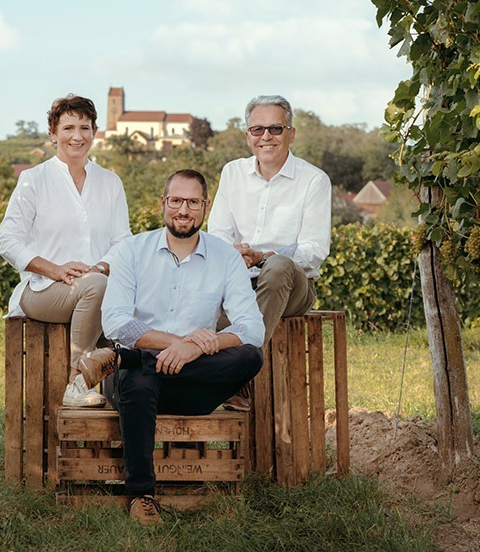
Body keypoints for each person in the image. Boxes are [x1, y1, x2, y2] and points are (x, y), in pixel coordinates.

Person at [79, 169, 264, 525]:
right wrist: (182, 343)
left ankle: (125, 358)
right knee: (136, 379)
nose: (184, 209)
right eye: (176, 200)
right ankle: (141, 496)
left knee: (249, 355)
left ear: (205, 207)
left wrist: (193, 351)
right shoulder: (132, 250)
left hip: (194, 387)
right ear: (163, 203)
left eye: (193, 202)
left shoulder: (225, 257)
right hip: (142, 387)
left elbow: (251, 327)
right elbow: (116, 320)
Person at [0, 94, 131, 408]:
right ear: (53, 134)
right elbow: (8, 240)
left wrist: (98, 267)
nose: (77, 136)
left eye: (84, 128)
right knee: (98, 289)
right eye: (68, 127)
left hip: (98, 285)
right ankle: (78, 382)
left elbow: (123, 242)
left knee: (109, 291)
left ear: (94, 133)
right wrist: (55, 269)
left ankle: (131, 399)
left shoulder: (111, 183)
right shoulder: (33, 180)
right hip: (43, 290)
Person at [208, 95, 332, 411]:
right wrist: (235, 254)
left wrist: (262, 256)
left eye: (275, 129)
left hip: (292, 287)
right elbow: (218, 237)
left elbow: (315, 250)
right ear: (247, 135)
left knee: (277, 267)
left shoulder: (313, 180)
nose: (266, 137)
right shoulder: (232, 173)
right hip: (240, 286)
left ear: (291, 133)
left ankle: (240, 374)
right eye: (258, 129)